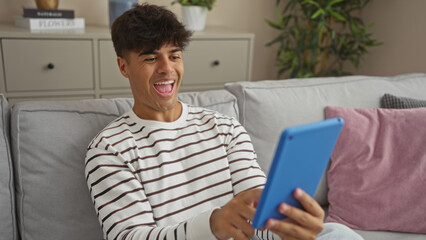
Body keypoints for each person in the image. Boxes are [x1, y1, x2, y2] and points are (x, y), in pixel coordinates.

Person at [85, 3, 363, 240]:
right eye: (150, 58)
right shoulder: (109, 149)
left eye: (175, 56)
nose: (166, 69)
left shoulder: (224, 128)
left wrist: (287, 225)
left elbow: (258, 215)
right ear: (124, 66)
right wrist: (212, 225)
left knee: (335, 233)